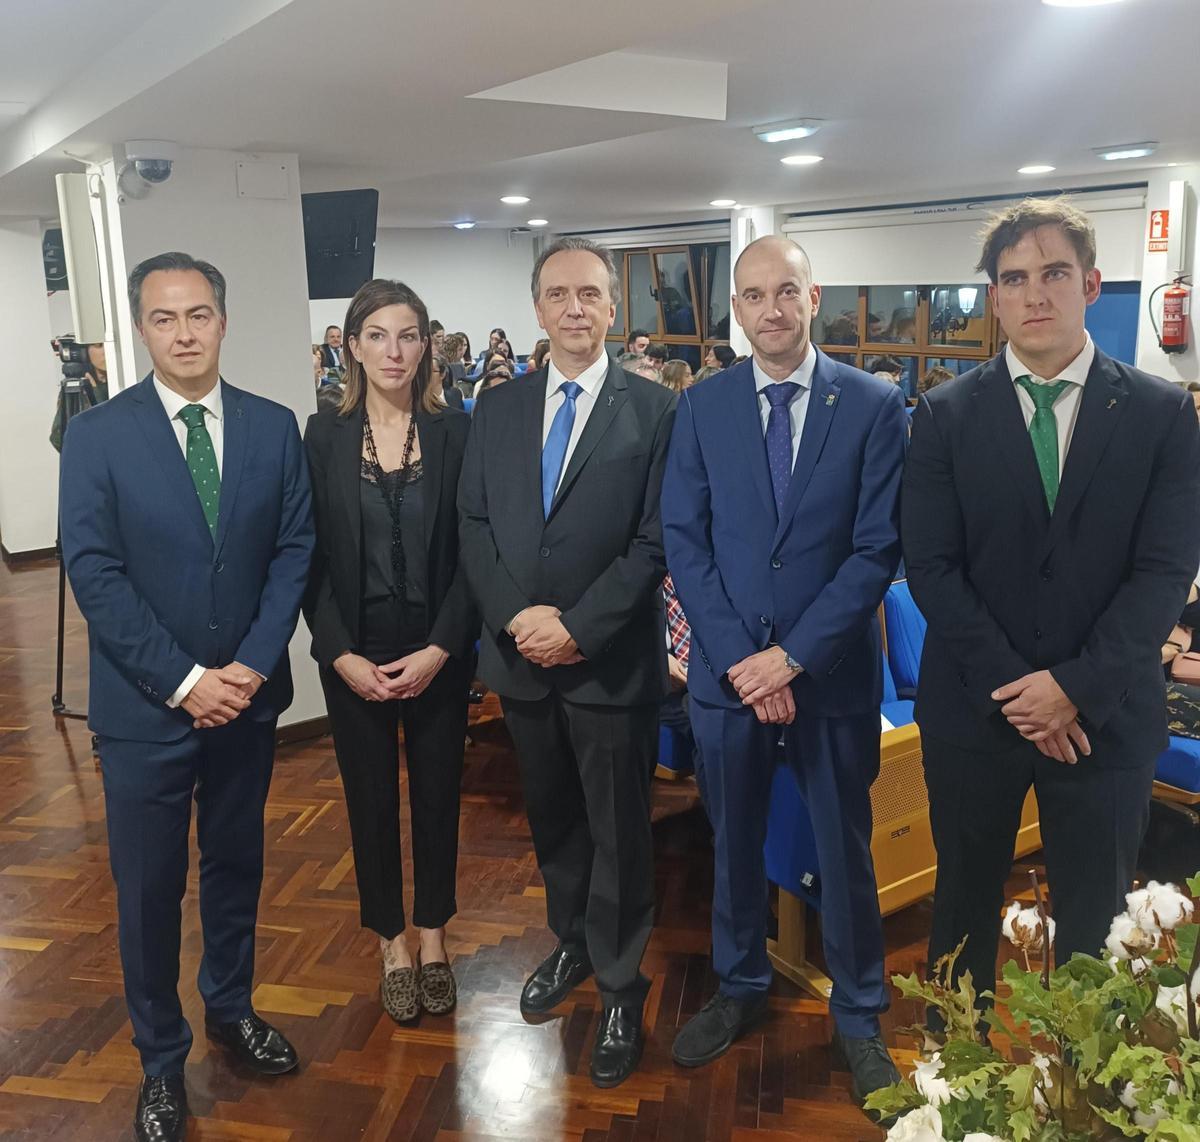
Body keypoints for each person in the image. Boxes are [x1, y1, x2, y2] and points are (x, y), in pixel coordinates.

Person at [902, 197, 1200, 1021]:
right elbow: (931, 567)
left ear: (1092, 285)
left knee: (1093, 924)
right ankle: (950, 1083)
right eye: (1014, 279)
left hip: (1104, 720)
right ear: (994, 298)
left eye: (1054, 274)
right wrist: (1023, 689)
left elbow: (1166, 570)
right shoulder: (943, 415)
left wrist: (1075, 687)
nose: (1035, 294)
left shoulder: (1163, 413)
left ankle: (1082, 1091)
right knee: (960, 908)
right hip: (974, 714)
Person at [59, 251, 314, 1142]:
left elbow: (293, 551)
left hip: (247, 700)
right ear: (141, 329)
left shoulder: (273, 426)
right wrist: (183, 681)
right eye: (165, 318)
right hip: (145, 712)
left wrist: (245, 667)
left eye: (199, 314)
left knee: (236, 867)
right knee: (148, 890)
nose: (184, 332)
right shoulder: (97, 436)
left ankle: (232, 1009)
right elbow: (94, 572)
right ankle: (160, 1061)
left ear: (223, 321)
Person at [661, 235, 907, 1115]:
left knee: (844, 849)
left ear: (814, 298)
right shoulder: (704, 405)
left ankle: (861, 1015)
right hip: (729, 681)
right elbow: (686, 543)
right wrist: (743, 660)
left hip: (830, 677)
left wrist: (793, 655)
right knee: (734, 843)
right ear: (738, 307)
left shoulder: (876, 404)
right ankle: (739, 984)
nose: (770, 309)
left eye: (786, 292)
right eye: (754, 295)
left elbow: (878, 548)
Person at [458, 236, 675, 1089]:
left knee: (620, 830)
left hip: (606, 662)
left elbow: (655, 541)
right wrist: (517, 618)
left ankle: (623, 984)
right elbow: (474, 526)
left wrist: (577, 626)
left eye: (591, 293)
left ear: (614, 308)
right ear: (538, 308)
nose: (575, 308)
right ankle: (574, 943)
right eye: (559, 294)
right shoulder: (500, 408)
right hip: (520, 662)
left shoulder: (654, 412)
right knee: (553, 820)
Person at [303, 278, 477, 1029]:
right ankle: (391, 944)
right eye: (377, 335)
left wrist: (444, 643)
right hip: (355, 657)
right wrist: (337, 653)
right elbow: (304, 559)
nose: (394, 351)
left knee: (438, 799)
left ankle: (434, 938)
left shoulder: (455, 433)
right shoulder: (323, 438)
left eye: (409, 335)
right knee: (370, 805)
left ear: (428, 345)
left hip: (439, 650)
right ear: (352, 346)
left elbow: (478, 554)